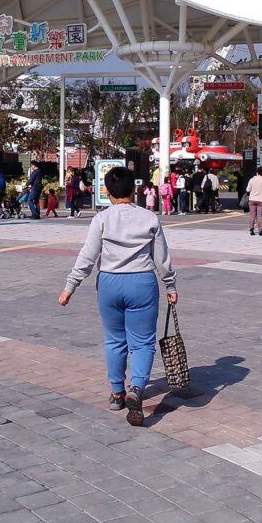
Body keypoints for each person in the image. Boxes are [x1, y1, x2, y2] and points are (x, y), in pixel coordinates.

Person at [58, 165, 178, 427]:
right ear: (133, 190)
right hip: (142, 282)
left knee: (114, 340)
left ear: (108, 192)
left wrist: (70, 286)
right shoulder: (149, 218)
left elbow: (88, 256)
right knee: (143, 342)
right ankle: (136, 388)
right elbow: (162, 258)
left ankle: (116, 393)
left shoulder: (102, 219)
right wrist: (170, 286)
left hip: (109, 282)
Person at [246, 166, 262, 236]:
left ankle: (251, 229)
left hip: (252, 199)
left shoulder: (252, 179)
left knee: (252, 215)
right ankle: (260, 231)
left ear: (257, 172)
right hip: (261, 200)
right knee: (260, 215)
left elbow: (247, 190)